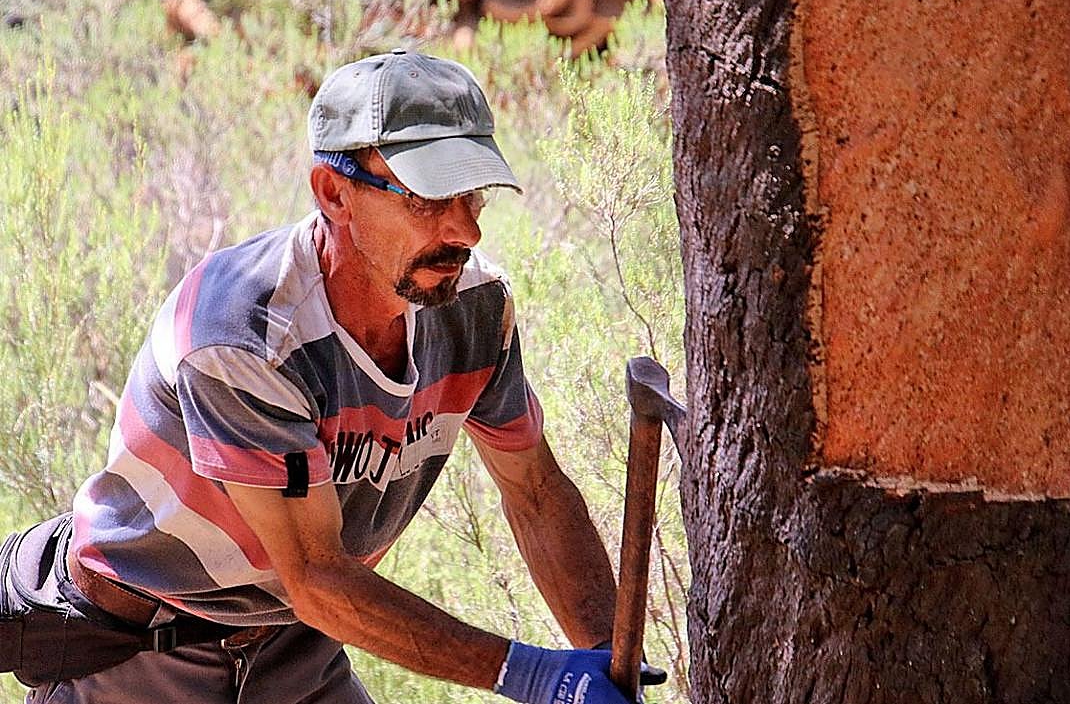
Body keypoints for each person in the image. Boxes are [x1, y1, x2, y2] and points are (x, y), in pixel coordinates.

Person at [25, 50, 661, 703]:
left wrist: (603, 660)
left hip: (293, 640)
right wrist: (532, 674)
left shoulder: (474, 306)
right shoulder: (245, 334)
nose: (465, 228)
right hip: (145, 646)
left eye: (473, 192)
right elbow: (318, 576)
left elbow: (535, 493)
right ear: (333, 192)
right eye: (426, 197)